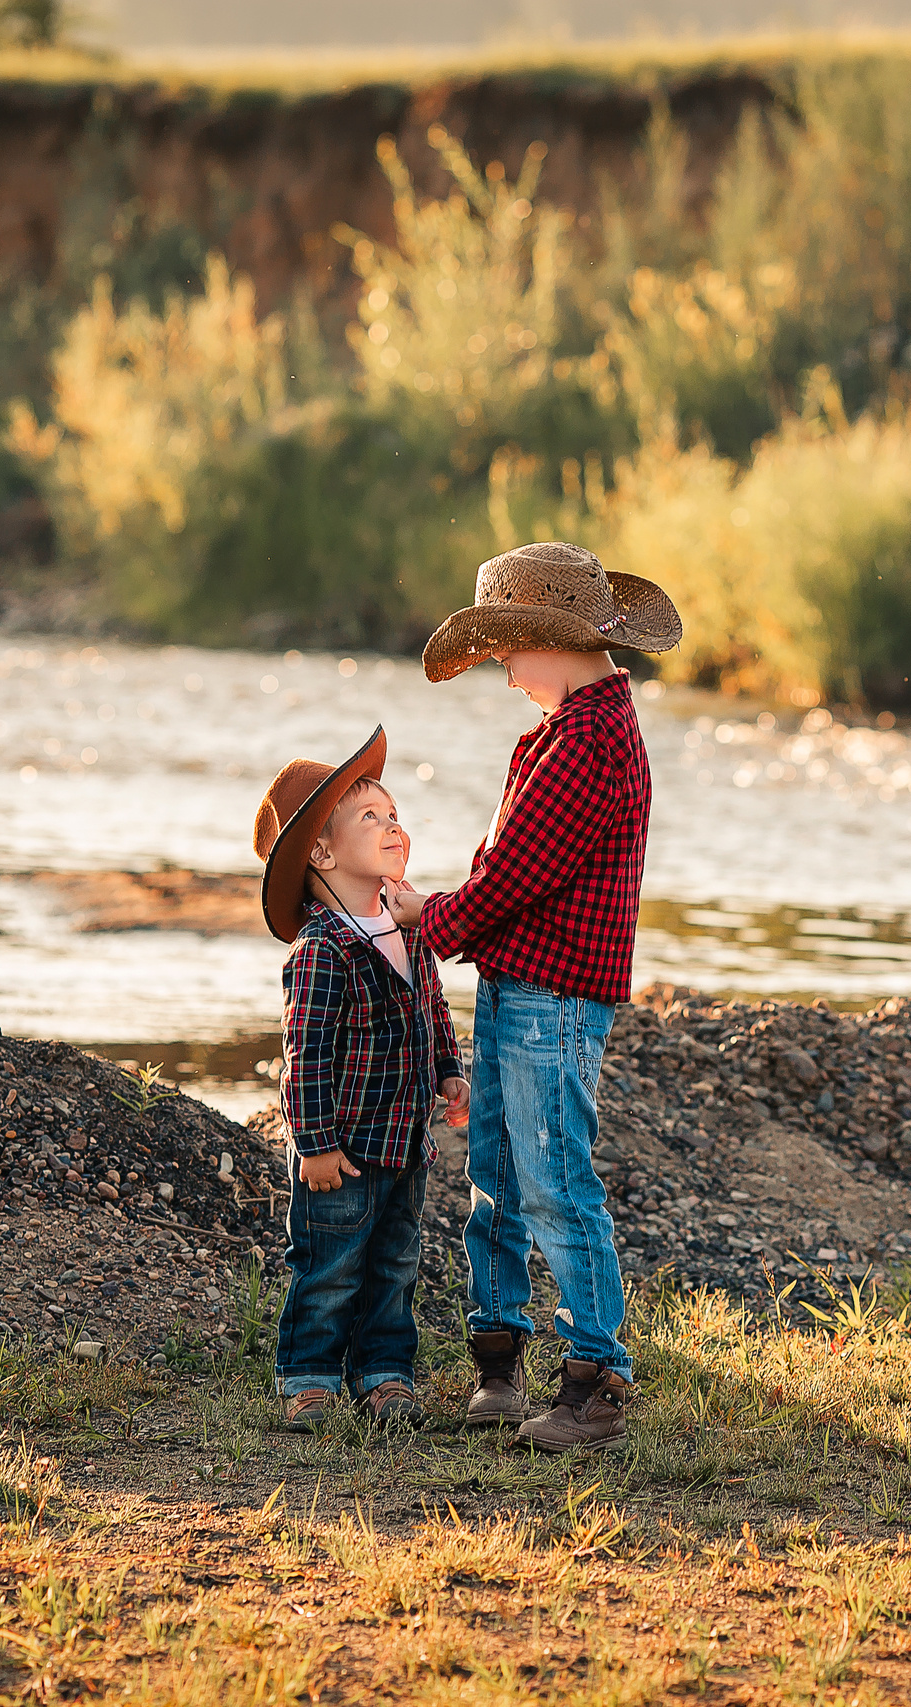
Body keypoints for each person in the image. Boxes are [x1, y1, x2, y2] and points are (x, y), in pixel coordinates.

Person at [387, 541, 682, 1452]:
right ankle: (499, 1362)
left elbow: (513, 875)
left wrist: (423, 921)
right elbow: (516, 874)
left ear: (552, 641)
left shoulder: (588, 743)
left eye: (509, 651)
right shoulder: (572, 730)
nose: (506, 671)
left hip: (552, 997)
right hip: (525, 984)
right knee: (500, 1175)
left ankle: (595, 1381)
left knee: (554, 1181)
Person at [255, 727, 468, 1433]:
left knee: (394, 1266)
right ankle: (309, 1374)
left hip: (405, 1144)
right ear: (320, 850)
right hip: (339, 1153)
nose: (392, 824)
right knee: (329, 1265)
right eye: (370, 816)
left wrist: (447, 1071)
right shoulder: (323, 946)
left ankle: (384, 1373)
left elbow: (430, 1004)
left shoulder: (407, 922)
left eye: (394, 811)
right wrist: (312, 1143)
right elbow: (306, 1052)